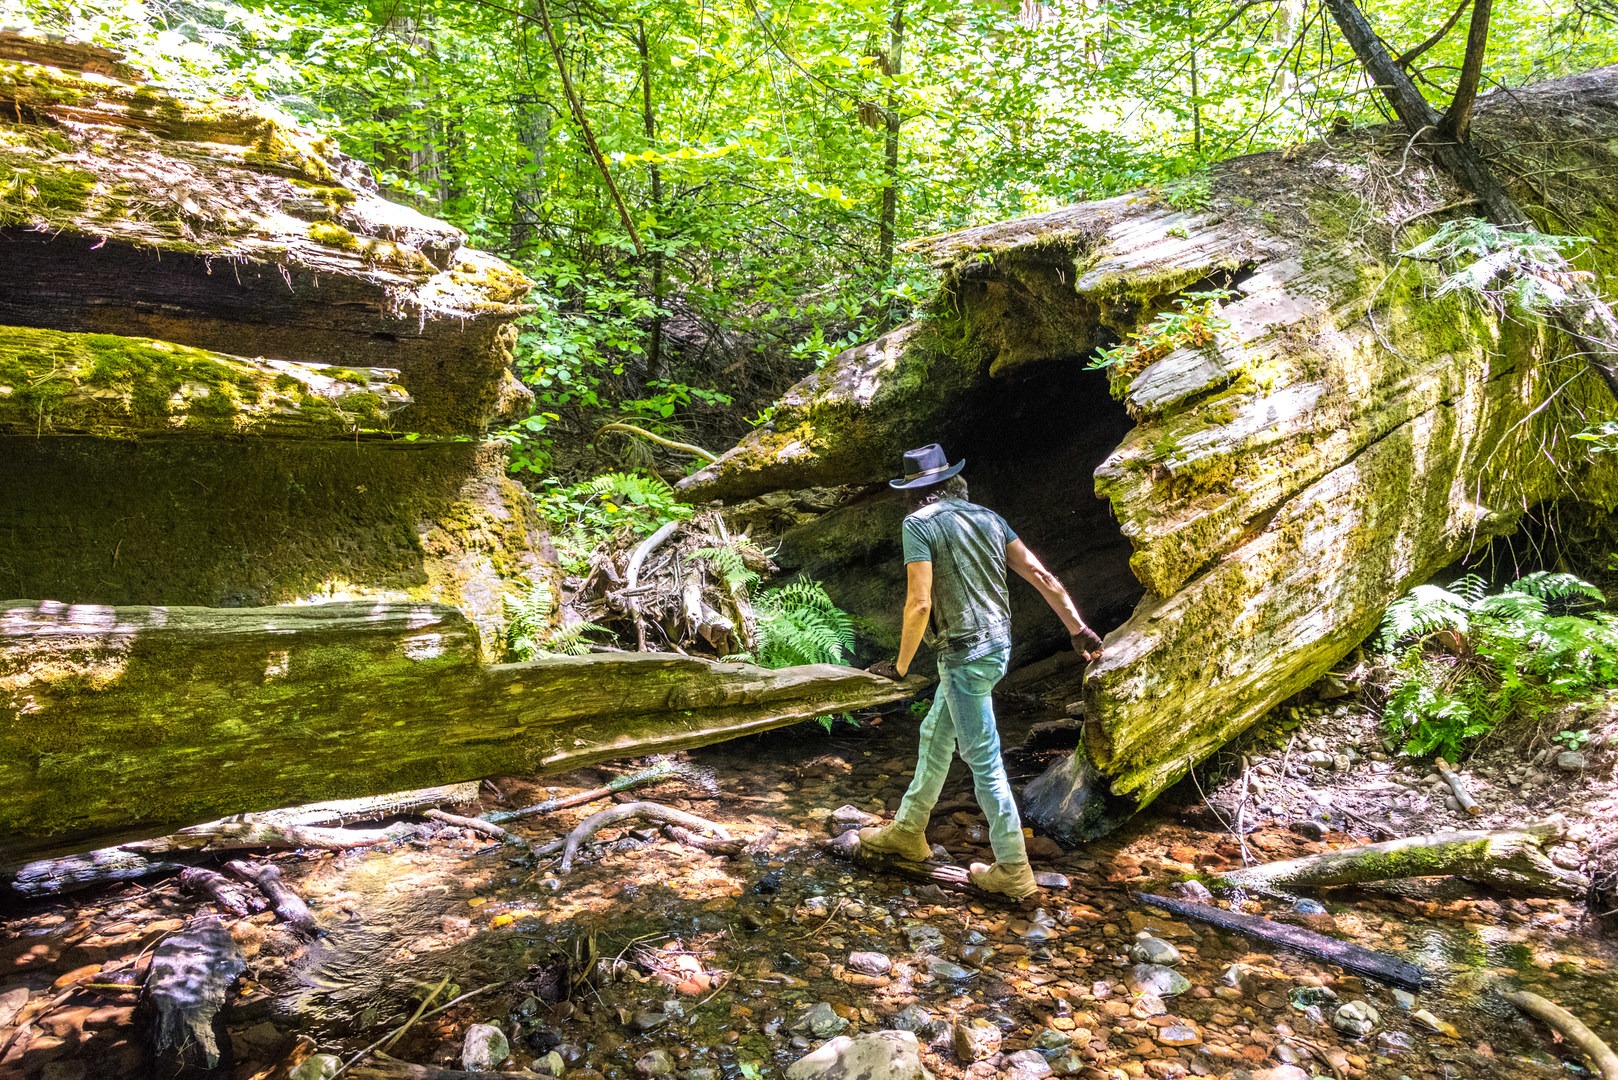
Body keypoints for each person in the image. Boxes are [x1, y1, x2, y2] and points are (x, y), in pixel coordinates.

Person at [862, 443, 1102, 900]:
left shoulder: (918, 525)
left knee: (984, 761)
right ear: (952, 482)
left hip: (963, 656)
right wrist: (1078, 628)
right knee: (936, 736)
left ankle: (1013, 867)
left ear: (915, 493)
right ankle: (908, 831)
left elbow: (919, 602)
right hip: (998, 648)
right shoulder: (989, 518)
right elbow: (1042, 576)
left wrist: (900, 666)